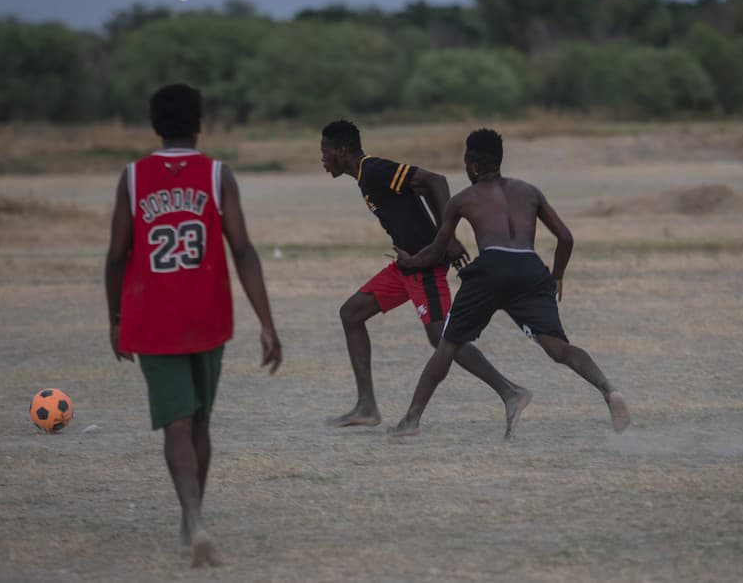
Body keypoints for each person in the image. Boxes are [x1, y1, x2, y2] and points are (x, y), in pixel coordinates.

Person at [104, 83, 282, 567]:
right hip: (208, 316)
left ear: (155, 125)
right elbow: (243, 249)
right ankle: (192, 521)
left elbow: (117, 255)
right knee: (200, 421)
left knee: (177, 426)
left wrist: (115, 317)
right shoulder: (218, 174)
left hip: (153, 318)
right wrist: (267, 323)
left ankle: (193, 520)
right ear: (200, 123)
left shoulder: (134, 178)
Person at [388, 128, 630, 437]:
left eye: (466, 164)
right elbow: (566, 237)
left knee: (447, 345)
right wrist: (557, 275)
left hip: (491, 268)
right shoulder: (530, 191)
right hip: (530, 268)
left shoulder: (462, 199)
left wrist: (409, 261)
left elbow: (437, 250)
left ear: (473, 165)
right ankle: (609, 390)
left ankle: (410, 421)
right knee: (558, 348)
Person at [320, 120, 531, 437]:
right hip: (405, 266)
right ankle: (366, 407)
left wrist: (446, 237)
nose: (322, 160)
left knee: (442, 337)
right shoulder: (366, 177)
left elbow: (435, 180)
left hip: (424, 266)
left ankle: (510, 392)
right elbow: (422, 190)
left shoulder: (374, 169)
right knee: (351, 313)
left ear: (341, 150)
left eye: (324, 153)